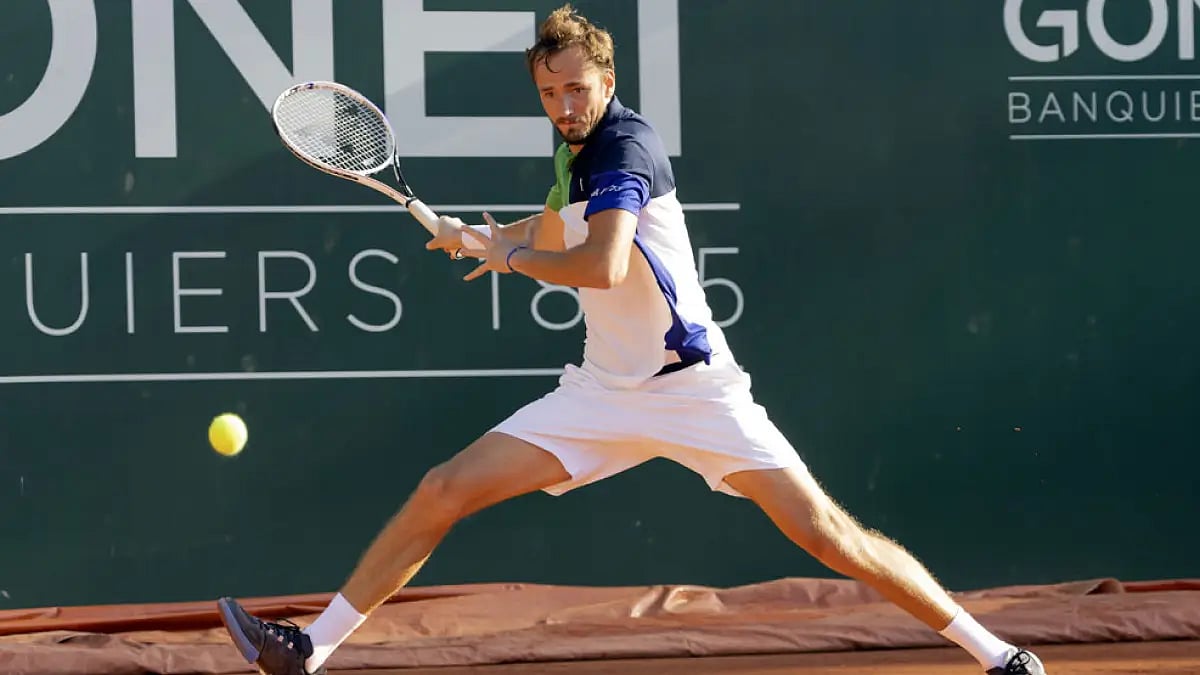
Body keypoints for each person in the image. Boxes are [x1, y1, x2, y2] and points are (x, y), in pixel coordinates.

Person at [215, 5, 1047, 675]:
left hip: (695, 390)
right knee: (444, 489)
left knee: (831, 536)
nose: (565, 106)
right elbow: (544, 229)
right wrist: (478, 237)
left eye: (578, 89)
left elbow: (604, 265)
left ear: (606, 80)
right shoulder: (571, 152)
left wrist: (515, 256)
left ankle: (998, 653)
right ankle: (310, 648)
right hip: (602, 394)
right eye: (551, 94)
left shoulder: (626, 144)